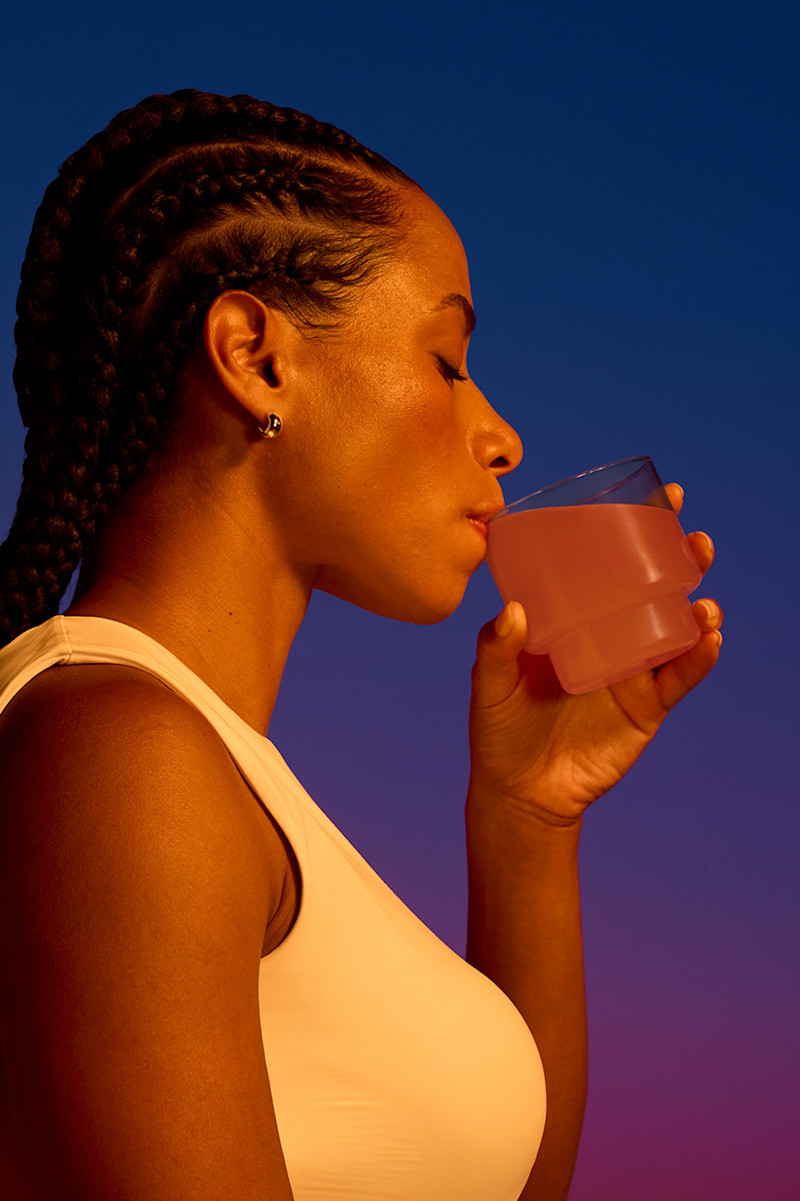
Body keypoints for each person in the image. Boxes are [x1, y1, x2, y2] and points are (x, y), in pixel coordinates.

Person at [0, 89, 722, 1201]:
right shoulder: (117, 752)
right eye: (446, 360)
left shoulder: (208, 766)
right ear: (256, 357)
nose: (500, 432)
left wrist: (527, 816)